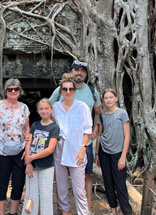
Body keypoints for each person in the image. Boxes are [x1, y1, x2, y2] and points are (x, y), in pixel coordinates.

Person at [49, 60, 102, 215]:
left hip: (84, 141)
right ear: (71, 72)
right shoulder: (59, 92)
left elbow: (98, 111)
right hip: (62, 144)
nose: (79, 72)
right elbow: (47, 109)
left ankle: (87, 210)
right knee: (61, 178)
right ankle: (62, 209)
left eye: (82, 70)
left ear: (85, 73)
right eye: (76, 70)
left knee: (84, 175)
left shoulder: (91, 91)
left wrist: (95, 129)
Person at [0, 78, 30, 215]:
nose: (13, 91)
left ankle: (13, 213)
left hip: (20, 150)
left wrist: (27, 148)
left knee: (19, 182)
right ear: (6, 91)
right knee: (1, 182)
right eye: (10, 89)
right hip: (1, 149)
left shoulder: (24, 108)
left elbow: (27, 129)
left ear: (19, 91)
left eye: (16, 89)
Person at [53, 73, 93, 215]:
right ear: (61, 91)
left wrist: (83, 150)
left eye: (71, 89)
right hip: (59, 150)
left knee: (79, 189)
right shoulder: (55, 107)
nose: (68, 92)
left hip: (77, 150)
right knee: (61, 186)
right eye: (65, 89)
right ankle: (65, 211)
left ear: (75, 91)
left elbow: (87, 130)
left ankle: (83, 212)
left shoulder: (82, 107)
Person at [96, 89, 132, 215]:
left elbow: (127, 136)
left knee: (120, 183)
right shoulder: (102, 115)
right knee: (108, 182)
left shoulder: (122, 113)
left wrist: (123, 157)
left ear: (116, 98)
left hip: (118, 152)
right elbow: (100, 136)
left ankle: (126, 211)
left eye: (111, 97)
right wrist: (97, 154)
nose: (109, 100)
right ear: (103, 100)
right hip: (104, 152)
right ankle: (113, 211)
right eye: (106, 98)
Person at [21, 99, 60, 215]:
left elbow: (50, 149)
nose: (44, 111)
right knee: (31, 195)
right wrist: (28, 163)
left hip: (46, 166)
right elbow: (28, 142)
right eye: (41, 109)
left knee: (45, 197)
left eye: (46, 108)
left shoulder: (54, 127)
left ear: (51, 110)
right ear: (38, 111)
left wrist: (32, 158)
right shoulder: (35, 125)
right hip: (32, 166)